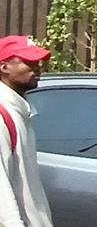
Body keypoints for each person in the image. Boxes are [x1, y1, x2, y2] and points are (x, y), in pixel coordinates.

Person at [0, 35, 52, 227]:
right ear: (4, 67)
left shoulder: (21, 111)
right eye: (29, 62)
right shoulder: (3, 115)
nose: (37, 67)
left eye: (38, 62)